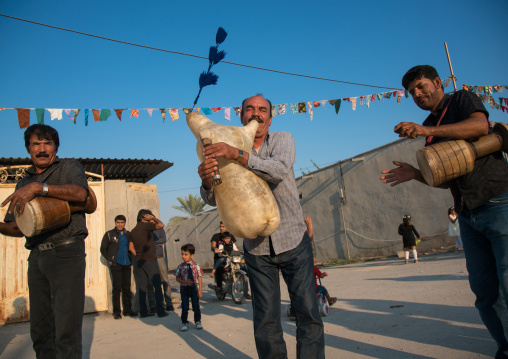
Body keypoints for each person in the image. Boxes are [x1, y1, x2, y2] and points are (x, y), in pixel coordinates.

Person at [380, 65, 508, 358]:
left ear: (438, 82)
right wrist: (417, 174)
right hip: (467, 212)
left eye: (422, 86)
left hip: (498, 201)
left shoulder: (461, 100)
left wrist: (427, 130)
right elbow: (445, 178)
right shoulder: (429, 126)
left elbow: (480, 127)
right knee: (485, 292)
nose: (417, 94)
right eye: (412, 91)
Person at [198, 95, 325, 358]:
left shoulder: (282, 139)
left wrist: (238, 155)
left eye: (262, 109)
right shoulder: (222, 144)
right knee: (266, 321)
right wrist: (208, 181)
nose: (257, 114)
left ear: (270, 115)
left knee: (307, 314)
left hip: (292, 239)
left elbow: (278, 171)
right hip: (256, 249)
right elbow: (216, 197)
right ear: (240, 114)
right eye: (250, 109)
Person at [0, 124, 89, 358]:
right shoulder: (22, 183)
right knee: (40, 331)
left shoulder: (68, 167)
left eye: (47, 143)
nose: (41, 149)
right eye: (35, 144)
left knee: (66, 331)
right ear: (28, 149)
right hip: (37, 256)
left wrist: (40, 188)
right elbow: (18, 228)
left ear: (56, 147)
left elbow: (81, 194)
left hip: (67, 253)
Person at [128, 209, 168, 318]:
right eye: (148, 216)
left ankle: (144, 312)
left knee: (142, 287)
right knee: (157, 285)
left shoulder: (133, 231)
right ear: (143, 218)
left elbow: (131, 247)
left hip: (140, 261)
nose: (150, 218)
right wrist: (153, 218)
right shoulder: (145, 226)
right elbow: (161, 225)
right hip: (150, 259)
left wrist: (139, 255)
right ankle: (160, 311)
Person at [100, 214, 138, 319]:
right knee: (117, 288)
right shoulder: (109, 234)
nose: (120, 224)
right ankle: (117, 312)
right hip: (116, 264)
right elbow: (103, 249)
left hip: (127, 263)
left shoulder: (128, 234)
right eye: (118, 222)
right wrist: (111, 259)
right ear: (115, 223)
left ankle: (127, 310)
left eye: (122, 222)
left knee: (126, 287)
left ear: (124, 223)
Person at [174, 243, 203, 332]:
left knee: (195, 305)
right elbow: (177, 278)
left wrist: (200, 290)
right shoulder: (180, 266)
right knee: (185, 306)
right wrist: (184, 282)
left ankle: (197, 321)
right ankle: (184, 322)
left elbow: (199, 277)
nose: (183, 256)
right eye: (182, 254)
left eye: (186, 254)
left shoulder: (196, 265)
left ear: (192, 255)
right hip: (184, 289)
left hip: (194, 288)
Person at [153, 225, 175, 311]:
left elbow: (163, 240)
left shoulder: (159, 228)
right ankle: (157, 304)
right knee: (153, 283)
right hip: (150, 259)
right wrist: (157, 243)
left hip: (160, 257)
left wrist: (153, 242)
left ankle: (169, 303)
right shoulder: (147, 229)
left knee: (165, 281)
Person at [210, 221, 236, 293]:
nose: (221, 228)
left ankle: (245, 290)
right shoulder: (216, 236)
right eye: (220, 226)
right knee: (220, 269)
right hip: (220, 258)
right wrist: (215, 249)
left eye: (223, 226)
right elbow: (213, 246)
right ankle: (219, 287)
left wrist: (240, 251)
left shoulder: (231, 236)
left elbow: (234, 247)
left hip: (230, 258)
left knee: (242, 266)